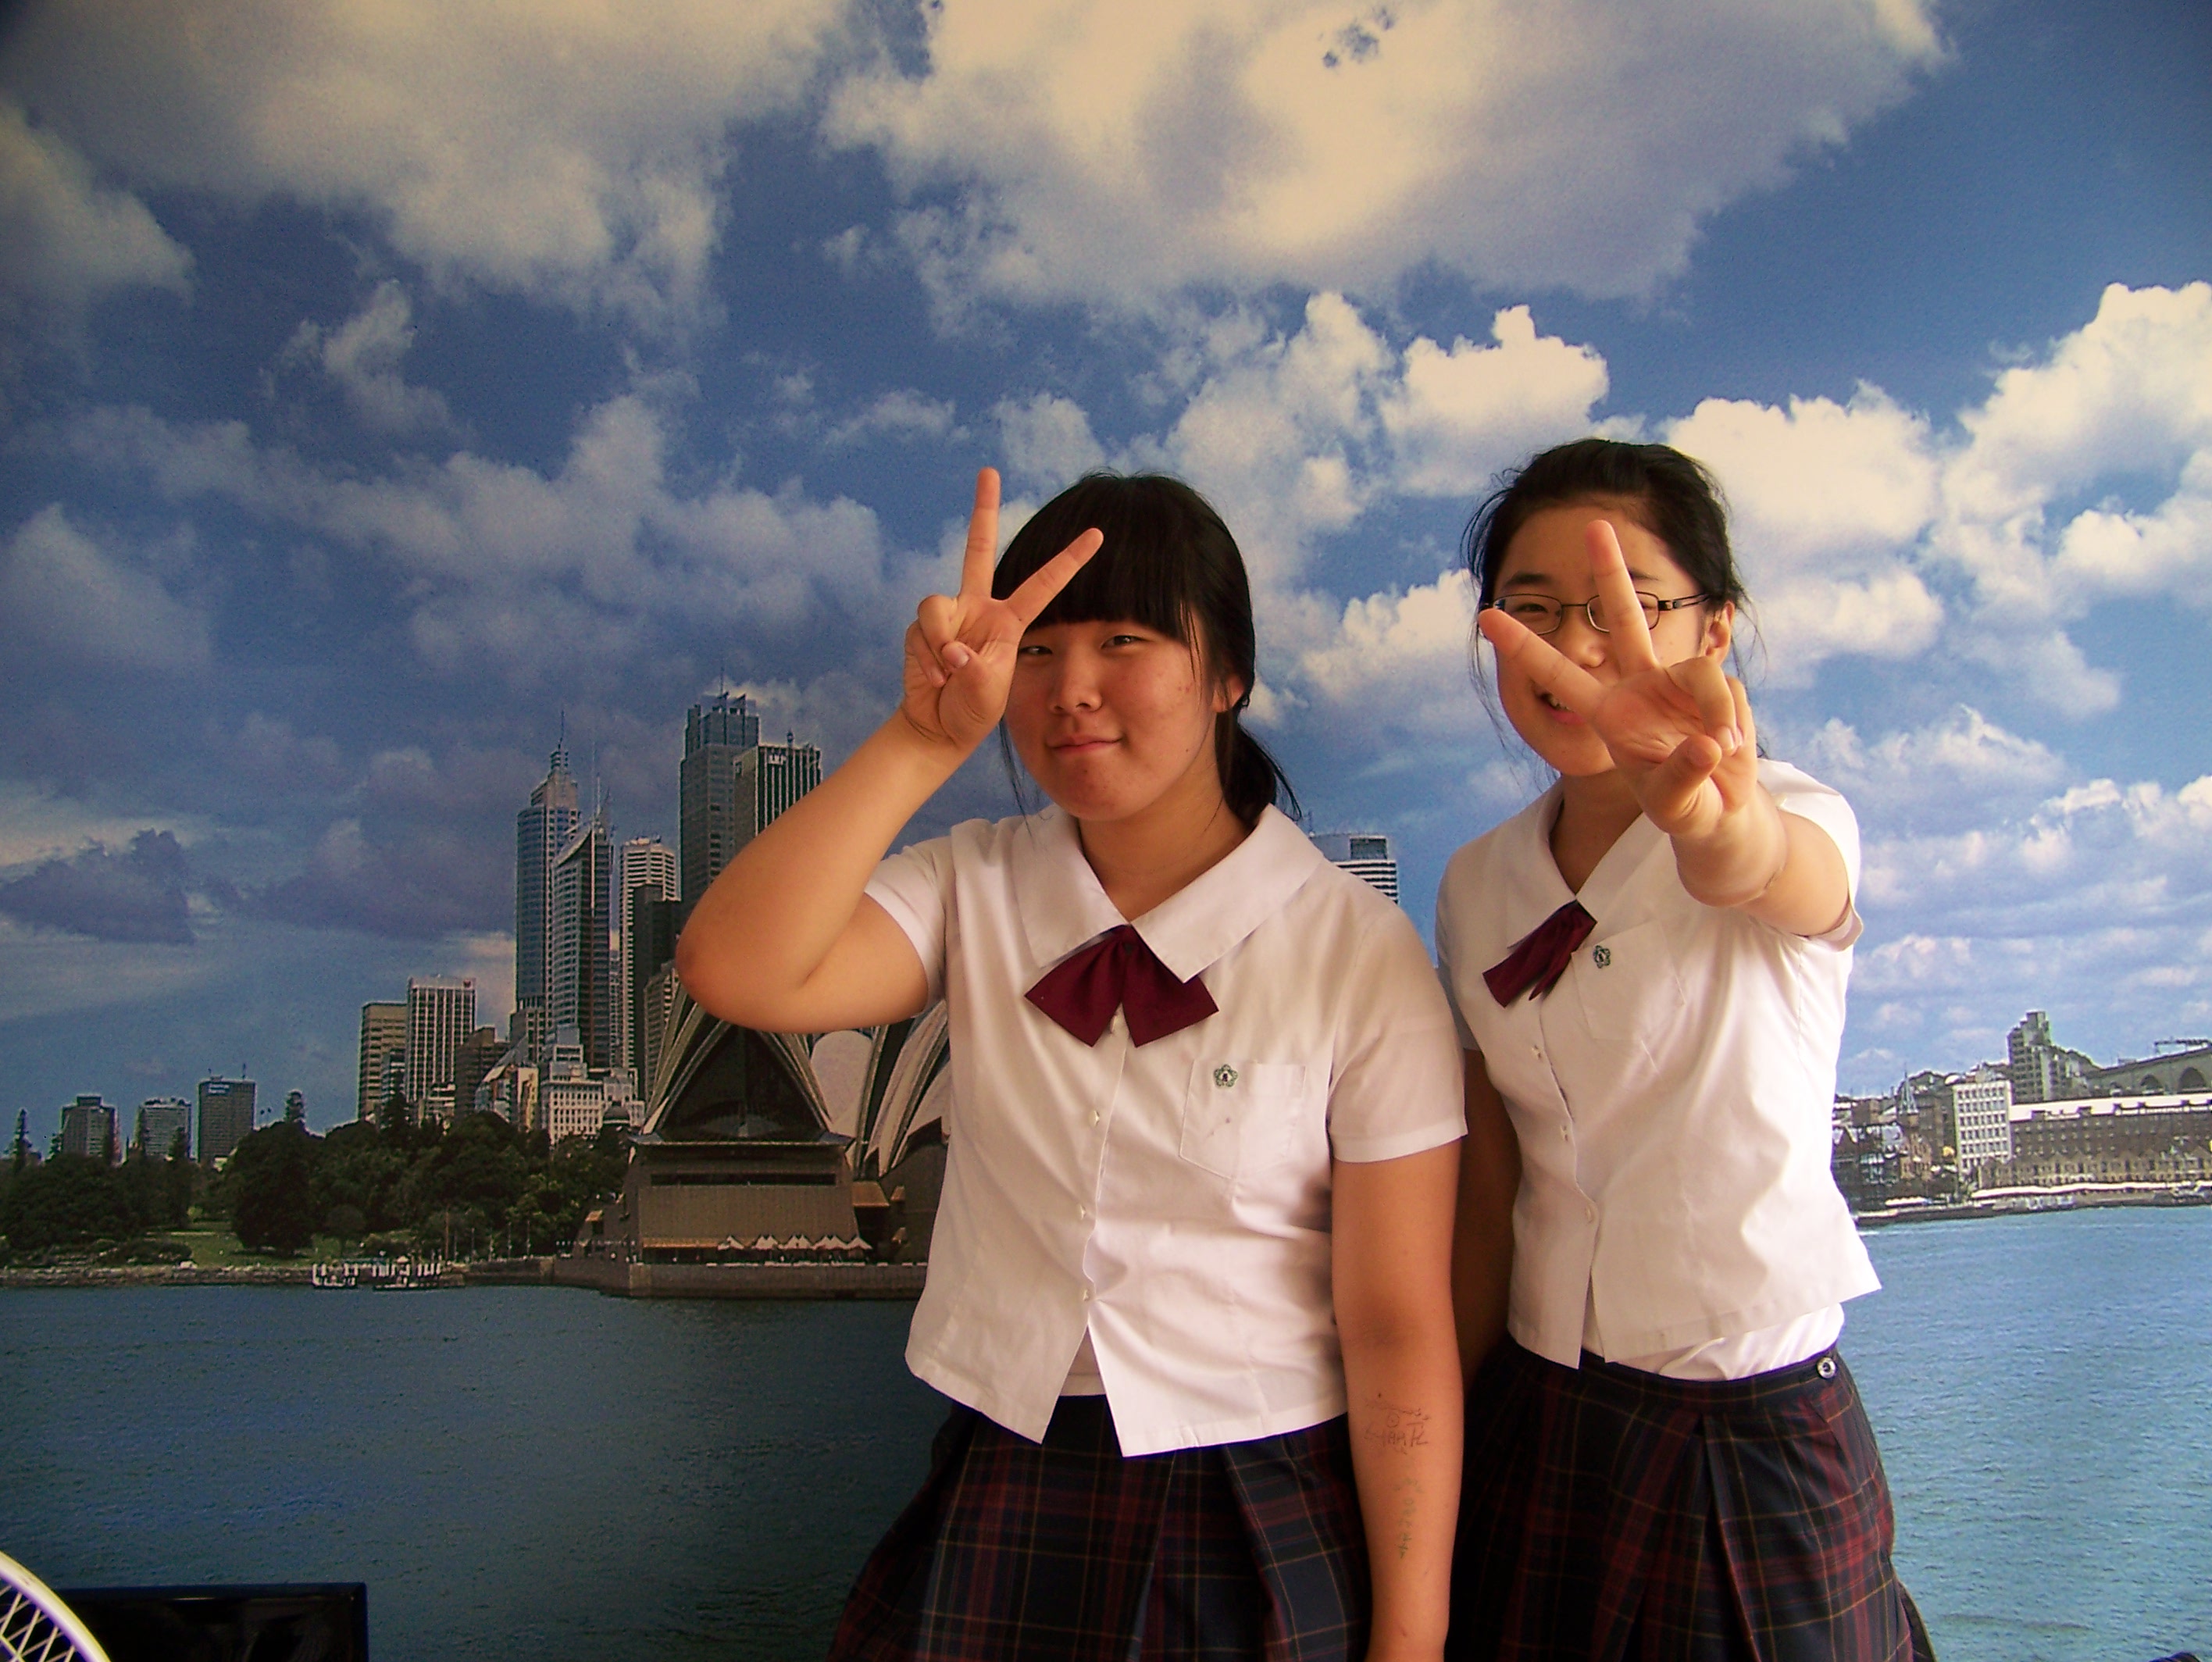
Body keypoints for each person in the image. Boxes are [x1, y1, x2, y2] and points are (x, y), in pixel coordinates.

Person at [677, 469, 1466, 1660]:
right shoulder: (973, 882)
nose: (1070, 689)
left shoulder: (1356, 950)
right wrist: (921, 739)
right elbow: (735, 969)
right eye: (1037, 651)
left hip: (1253, 1499)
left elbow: (1399, 1327)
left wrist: (1411, 1643)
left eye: (1123, 642)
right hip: (1006, 1474)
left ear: (1228, 675)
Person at [1435, 439, 1934, 1660]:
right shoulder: (1476, 884)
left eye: (1628, 606)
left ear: (1715, 629)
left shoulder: (1797, 812)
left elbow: (1765, 868)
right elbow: (1493, 1183)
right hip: (1542, 1406)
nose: (1579, 642)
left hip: (1744, 1428)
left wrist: (1716, 819)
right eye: (1534, 609)